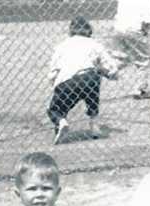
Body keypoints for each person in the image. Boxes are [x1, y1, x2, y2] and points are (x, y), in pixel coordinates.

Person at [47, 16, 119, 144]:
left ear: (71, 30)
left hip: (68, 81)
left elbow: (52, 73)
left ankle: (61, 121)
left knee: (55, 109)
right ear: (89, 30)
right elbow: (111, 66)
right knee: (93, 87)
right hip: (89, 78)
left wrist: (54, 85)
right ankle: (94, 125)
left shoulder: (62, 45)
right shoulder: (94, 44)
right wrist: (111, 73)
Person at [111, 0, 150, 99]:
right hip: (134, 29)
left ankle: (101, 69)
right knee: (142, 61)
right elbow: (147, 21)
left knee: (122, 58)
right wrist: (144, 33)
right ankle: (140, 90)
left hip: (118, 28)